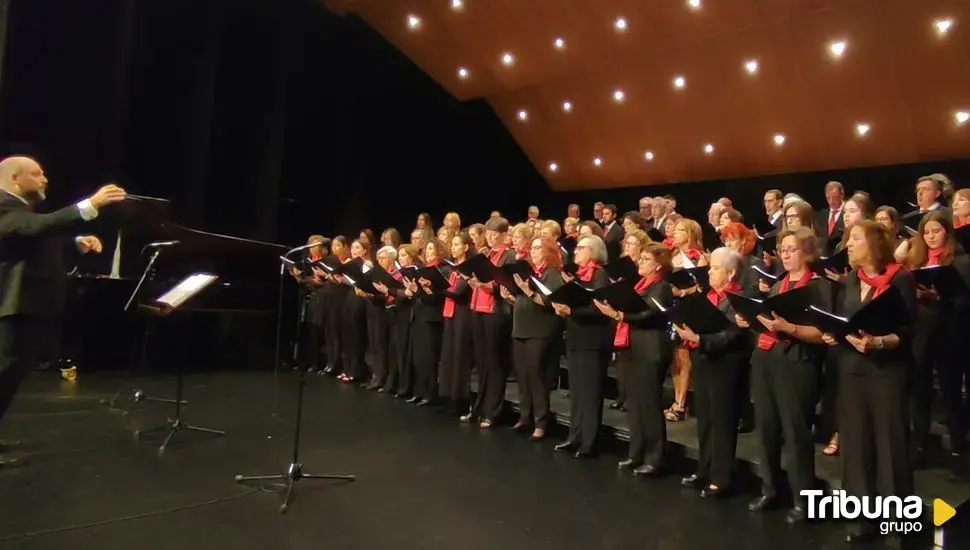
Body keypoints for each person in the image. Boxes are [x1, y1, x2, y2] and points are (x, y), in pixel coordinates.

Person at [0, 156, 126, 467]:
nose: (44, 179)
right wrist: (90, 205)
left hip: (26, 307)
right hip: (12, 306)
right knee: (3, 373)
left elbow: (34, 234)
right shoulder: (4, 205)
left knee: (11, 375)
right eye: (37, 174)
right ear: (15, 179)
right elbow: (31, 228)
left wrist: (74, 240)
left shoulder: (20, 210)